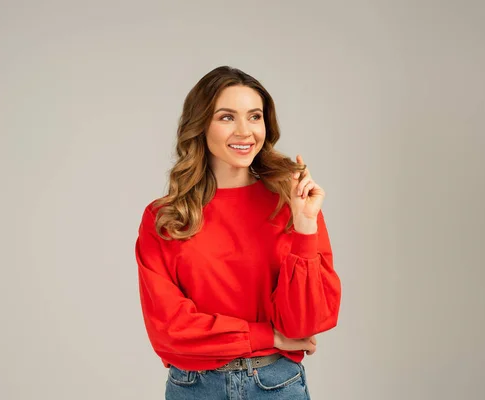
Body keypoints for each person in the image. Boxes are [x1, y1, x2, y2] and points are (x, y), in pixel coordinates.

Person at [134, 65, 342, 399]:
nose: (245, 131)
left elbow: (305, 324)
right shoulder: (167, 217)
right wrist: (268, 336)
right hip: (194, 388)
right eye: (227, 117)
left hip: (277, 386)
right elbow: (170, 330)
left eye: (255, 116)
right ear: (201, 125)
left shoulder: (291, 204)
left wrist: (305, 228)